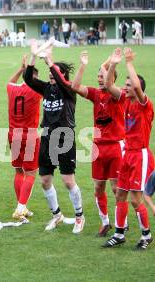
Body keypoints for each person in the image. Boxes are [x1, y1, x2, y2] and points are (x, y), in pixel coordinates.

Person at [23, 39, 85, 234]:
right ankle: (56, 215)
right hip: (48, 136)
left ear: (62, 75)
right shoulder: (47, 89)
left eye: (55, 72)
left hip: (65, 136)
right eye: (50, 72)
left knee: (68, 181)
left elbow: (60, 80)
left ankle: (79, 216)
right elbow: (28, 79)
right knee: (45, 180)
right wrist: (34, 56)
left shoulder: (69, 91)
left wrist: (50, 61)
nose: (51, 75)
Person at [102, 48, 154, 250]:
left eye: (129, 85)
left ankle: (146, 235)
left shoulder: (145, 105)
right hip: (127, 154)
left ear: (137, 88)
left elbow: (139, 89)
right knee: (120, 194)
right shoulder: (125, 99)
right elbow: (108, 85)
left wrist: (130, 63)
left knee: (135, 199)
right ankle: (119, 233)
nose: (125, 88)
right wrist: (114, 63)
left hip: (140, 156)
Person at [71, 51, 125, 237]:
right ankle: (105, 222)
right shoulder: (95, 94)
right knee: (98, 187)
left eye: (102, 76)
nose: (99, 79)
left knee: (117, 189)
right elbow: (75, 86)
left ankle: (121, 223)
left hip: (115, 147)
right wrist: (83, 65)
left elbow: (110, 83)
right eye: (98, 76)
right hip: (97, 148)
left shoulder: (119, 95)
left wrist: (110, 63)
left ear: (111, 78)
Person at [7, 55, 42, 222]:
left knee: (18, 170)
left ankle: (22, 206)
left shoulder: (13, 89)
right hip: (29, 136)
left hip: (13, 135)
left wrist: (21, 68)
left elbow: (9, 81)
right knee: (31, 173)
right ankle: (20, 208)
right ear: (33, 77)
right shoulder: (35, 90)